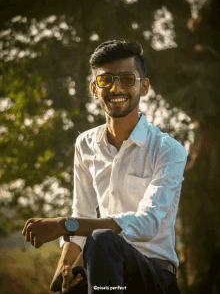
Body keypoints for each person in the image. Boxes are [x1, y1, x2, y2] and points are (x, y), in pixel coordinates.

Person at [22, 40, 187, 294]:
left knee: (101, 239)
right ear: (94, 89)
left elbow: (147, 223)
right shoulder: (85, 144)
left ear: (144, 87)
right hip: (102, 270)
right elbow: (83, 214)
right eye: (105, 80)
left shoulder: (168, 149)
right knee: (66, 284)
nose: (116, 87)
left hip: (155, 277)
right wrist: (63, 269)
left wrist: (63, 224)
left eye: (127, 79)